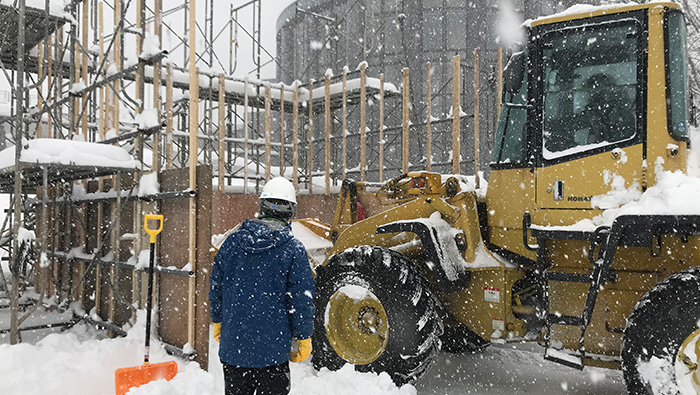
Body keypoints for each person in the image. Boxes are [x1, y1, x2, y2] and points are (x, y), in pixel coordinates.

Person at [209, 177, 315, 395]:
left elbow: (216, 286)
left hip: (234, 351)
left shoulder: (232, 243)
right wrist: (303, 336)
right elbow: (301, 299)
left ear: (261, 206)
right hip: (273, 354)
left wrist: (218, 319)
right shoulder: (293, 250)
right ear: (290, 211)